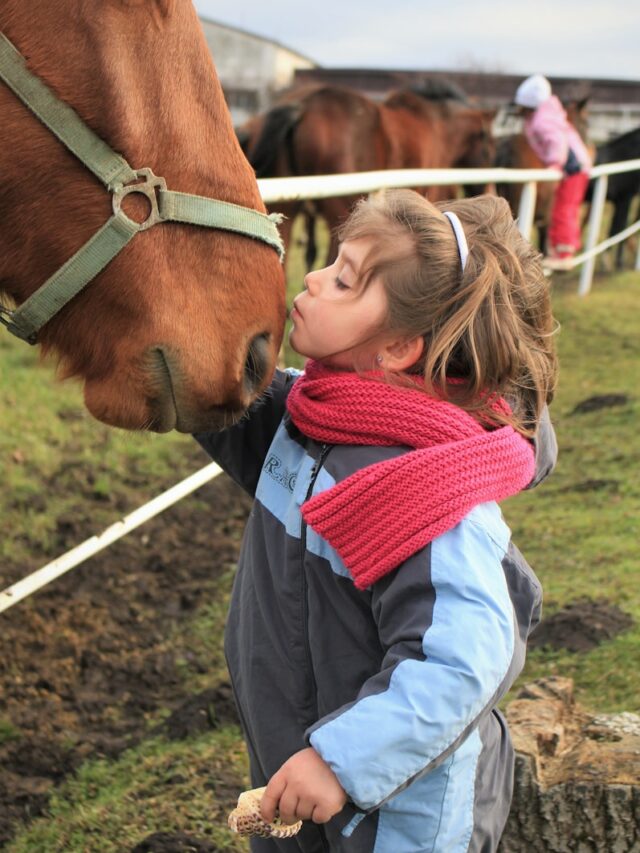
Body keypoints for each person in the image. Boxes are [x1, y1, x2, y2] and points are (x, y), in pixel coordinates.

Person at [196, 190, 559, 853]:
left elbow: (460, 662)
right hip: (298, 771)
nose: (313, 278)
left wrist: (339, 760)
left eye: (344, 278)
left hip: (398, 818)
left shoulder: (429, 493)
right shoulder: (308, 418)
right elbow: (215, 390)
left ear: (396, 346)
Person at [514, 73, 592, 262]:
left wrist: (555, 164)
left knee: (563, 210)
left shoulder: (542, 120)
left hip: (572, 169)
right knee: (567, 208)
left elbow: (557, 143)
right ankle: (565, 248)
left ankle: (563, 253)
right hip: (576, 168)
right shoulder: (547, 115)